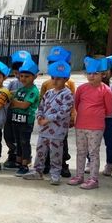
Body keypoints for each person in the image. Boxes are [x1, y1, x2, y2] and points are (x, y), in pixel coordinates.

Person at [24, 61, 74, 185]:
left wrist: (48, 119)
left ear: (66, 79)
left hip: (57, 131)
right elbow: (41, 106)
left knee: (55, 153)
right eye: (53, 78)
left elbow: (64, 112)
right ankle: (37, 171)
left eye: (59, 78)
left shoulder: (67, 95)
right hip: (44, 129)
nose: (55, 81)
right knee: (40, 151)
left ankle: (55, 174)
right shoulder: (48, 93)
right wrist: (39, 117)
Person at [68, 57, 112, 189]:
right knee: (81, 151)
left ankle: (94, 179)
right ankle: (79, 176)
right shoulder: (82, 89)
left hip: (96, 127)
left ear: (103, 74)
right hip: (81, 125)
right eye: (89, 73)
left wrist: (96, 115)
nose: (92, 76)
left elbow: (109, 110)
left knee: (93, 152)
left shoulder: (106, 90)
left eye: (95, 73)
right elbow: (76, 104)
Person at [40, 46, 76, 177]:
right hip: (46, 124)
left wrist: (72, 115)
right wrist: (40, 116)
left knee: (61, 144)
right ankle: (46, 163)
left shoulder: (69, 84)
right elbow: (41, 101)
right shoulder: (46, 84)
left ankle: (63, 164)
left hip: (60, 124)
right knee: (45, 144)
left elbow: (72, 102)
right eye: (52, 62)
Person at [9, 59, 40, 176]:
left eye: (27, 76)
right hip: (16, 119)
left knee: (24, 142)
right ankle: (19, 161)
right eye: (21, 76)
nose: (23, 78)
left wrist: (13, 101)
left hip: (26, 121)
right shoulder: (20, 90)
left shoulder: (33, 91)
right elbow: (13, 103)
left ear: (34, 77)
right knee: (18, 142)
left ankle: (25, 164)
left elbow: (24, 105)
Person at [3, 50, 32, 170]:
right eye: (16, 74)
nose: (20, 77)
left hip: (24, 115)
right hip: (11, 112)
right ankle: (12, 153)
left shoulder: (30, 86)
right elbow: (7, 95)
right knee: (9, 134)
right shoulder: (13, 83)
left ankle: (24, 157)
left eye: (23, 74)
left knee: (22, 138)